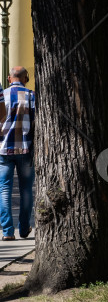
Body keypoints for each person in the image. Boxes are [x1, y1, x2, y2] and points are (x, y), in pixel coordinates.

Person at [0, 67, 33, 241]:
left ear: (8, 78)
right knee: (26, 189)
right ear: (26, 79)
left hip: (3, 150)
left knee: (4, 189)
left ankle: (7, 232)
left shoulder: (2, 95)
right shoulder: (31, 95)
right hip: (25, 149)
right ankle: (24, 227)